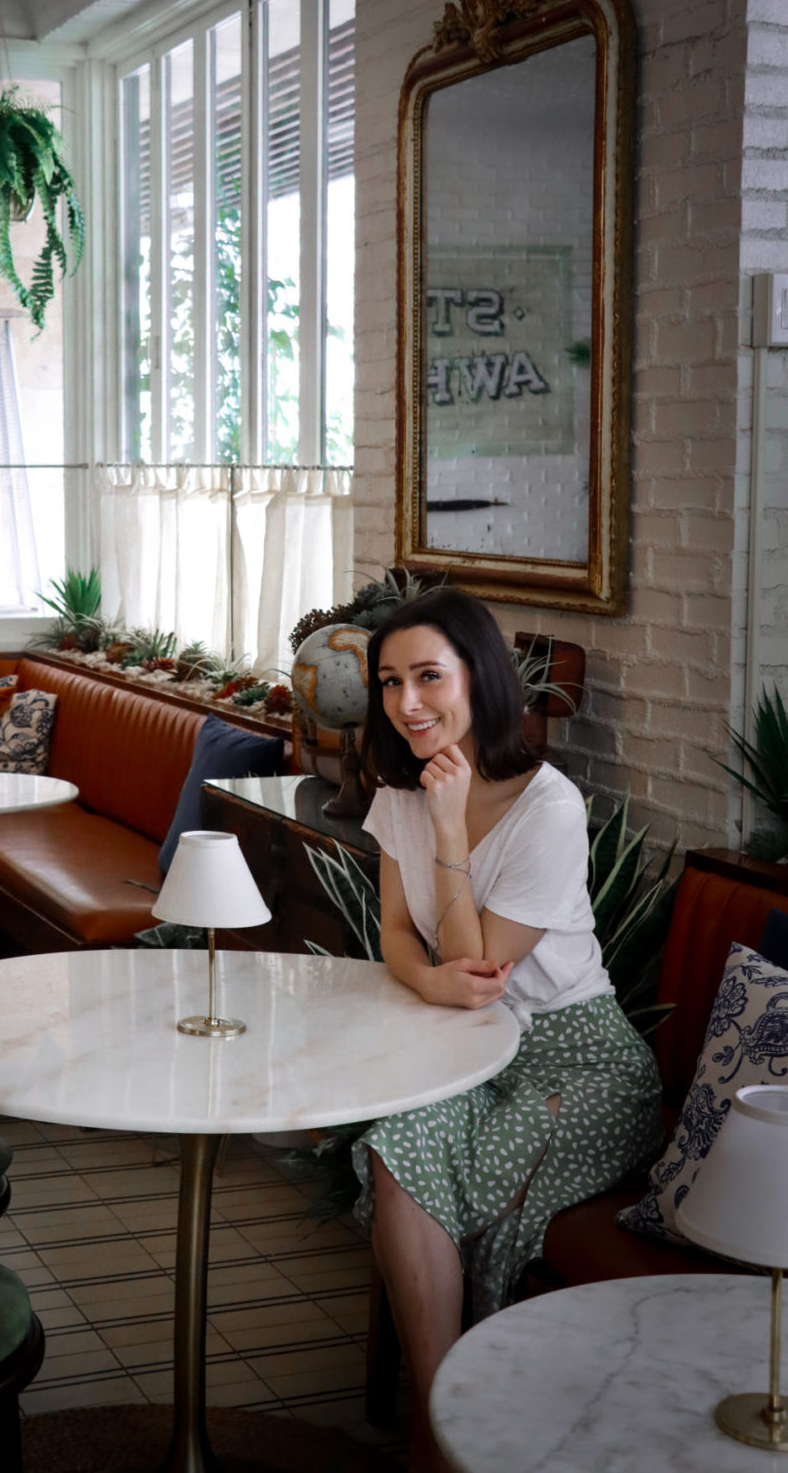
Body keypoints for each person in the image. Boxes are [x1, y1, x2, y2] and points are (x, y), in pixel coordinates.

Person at [351, 589, 661, 1471]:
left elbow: (480, 966)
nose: (406, 704)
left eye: (427, 677)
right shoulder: (397, 795)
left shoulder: (547, 807)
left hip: (583, 1061)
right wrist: (431, 987)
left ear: (478, 679)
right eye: (389, 682)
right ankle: (444, 1422)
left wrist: (449, 827)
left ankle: (447, 1426)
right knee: (398, 1140)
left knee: (472, 1168)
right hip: (469, 1051)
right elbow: (398, 939)